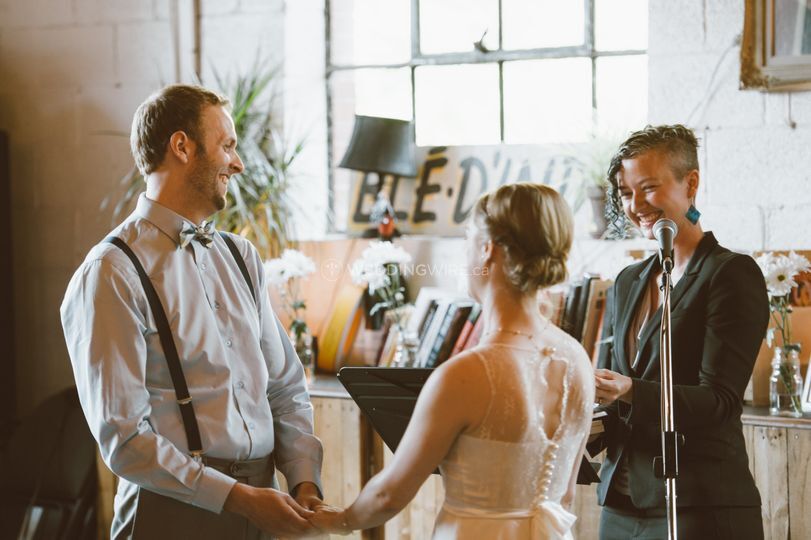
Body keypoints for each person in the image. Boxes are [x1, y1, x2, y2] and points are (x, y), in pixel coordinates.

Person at [60, 84, 324, 539]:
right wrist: (237, 498)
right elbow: (124, 440)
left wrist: (303, 481)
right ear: (182, 147)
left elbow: (284, 387)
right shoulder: (111, 272)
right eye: (227, 146)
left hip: (264, 507)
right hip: (171, 513)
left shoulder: (241, 257)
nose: (238, 163)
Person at [310, 183, 595, 539]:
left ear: (487, 249)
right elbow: (565, 494)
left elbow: (388, 495)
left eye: (467, 240)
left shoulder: (466, 374)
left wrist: (338, 521)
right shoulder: (577, 360)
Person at [592, 124, 768, 539]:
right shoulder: (627, 280)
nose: (635, 205)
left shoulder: (730, 274)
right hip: (620, 500)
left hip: (699, 502)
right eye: (624, 192)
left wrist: (629, 390)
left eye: (648, 187)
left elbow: (720, 400)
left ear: (691, 183)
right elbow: (615, 395)